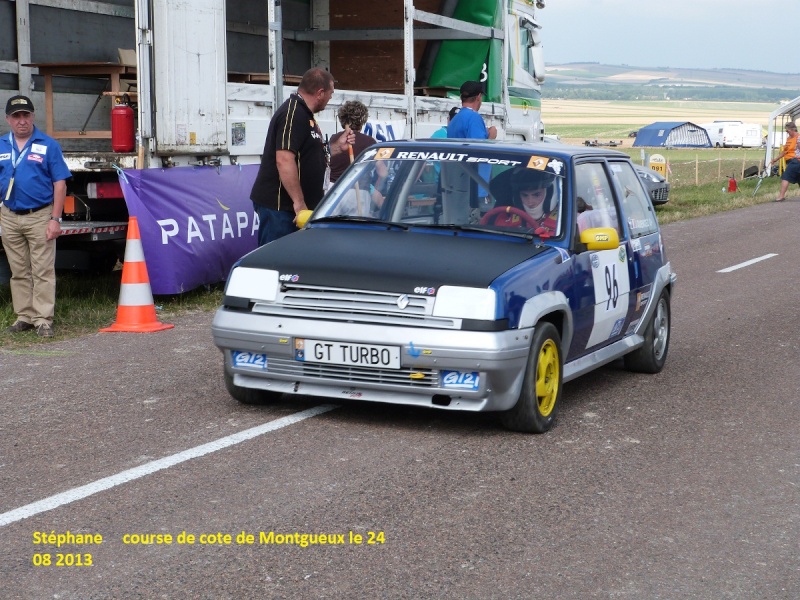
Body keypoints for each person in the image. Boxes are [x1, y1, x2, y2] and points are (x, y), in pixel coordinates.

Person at [250, 68, 355, 246]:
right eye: (331, 93)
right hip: (282, 209)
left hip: (296, 212)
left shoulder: (305, 115)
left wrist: (337, 147)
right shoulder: (293, 113)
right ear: (320, 93)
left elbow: (308, 154)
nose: (331, 98)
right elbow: (284, 159)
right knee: (277, 263)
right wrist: (299, 203)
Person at [0, 95, 71, 338]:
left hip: (39, 215)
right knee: (18, 270)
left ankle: (43, 319)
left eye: (26, 115)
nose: (22, 121)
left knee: (42, 270)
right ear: (8, 119)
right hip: (9, 215)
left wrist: (55, 219)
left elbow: (60, 184)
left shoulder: (48, 145)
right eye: (16, 116)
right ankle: (24, 316)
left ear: (33, 116)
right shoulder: (1, 145)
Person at [329, 100, 376, 183]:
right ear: (363, 119)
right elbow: (383, 173)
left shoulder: (334, 139)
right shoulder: (369, 142)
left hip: (333, 189)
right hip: (356, 188)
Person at [770, 121, 800, 202]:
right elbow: (784, 151)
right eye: (786, 131)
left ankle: (781, 196)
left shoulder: (798, 137)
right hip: (790, 161)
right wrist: (776, 159)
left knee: (786, 177)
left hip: (796, 160)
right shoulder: (789, 139)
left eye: (788, 130)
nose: (787, 132)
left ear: (793, 129)